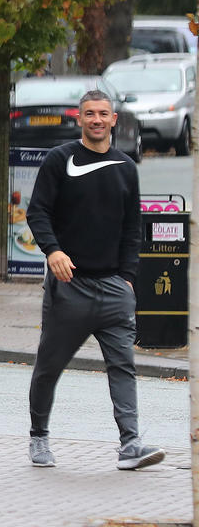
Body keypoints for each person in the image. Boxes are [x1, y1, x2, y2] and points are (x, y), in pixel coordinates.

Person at [26, 89, 164, 470]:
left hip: (115, 291)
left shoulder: (126, 168)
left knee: (123, 367)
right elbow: (37, 213)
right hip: (69, 288)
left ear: (114, 120)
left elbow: (132, 230)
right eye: (90, 114)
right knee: (49, 367)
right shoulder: (60, 160)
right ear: (80, 119)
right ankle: (39, 437)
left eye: (104, 114)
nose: (97, 120)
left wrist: (128, 279)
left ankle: (130, 444)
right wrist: (52, 250)